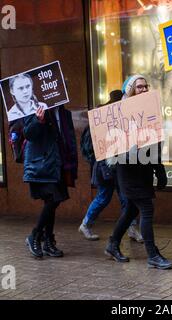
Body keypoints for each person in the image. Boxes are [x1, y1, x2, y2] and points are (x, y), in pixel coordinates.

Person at [104, 74, 172, 269]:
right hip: (128, 169)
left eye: (145, 87)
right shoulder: (119, 113)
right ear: (130, 91)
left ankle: (112, 244)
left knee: (131, 210)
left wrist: (159, 170)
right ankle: (152, 255)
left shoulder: (150, 111)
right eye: (139, 87)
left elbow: (155, 143)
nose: (143, 90)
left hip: (143, 168)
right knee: (146, 209)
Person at [79, 90, 143, 242]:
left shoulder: (118, 118)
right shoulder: (101, 118)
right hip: (105, 166)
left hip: (118, 165)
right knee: (105, 197)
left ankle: (131, 228)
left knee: (124, 198)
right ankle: (86, 224)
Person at [24, 104, 78, 258]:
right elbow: (28, 134)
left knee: (52, 202)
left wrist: (71, 162)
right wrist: (38, 120)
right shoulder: (35, 109)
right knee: (53, 199)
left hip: (59, 163)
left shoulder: (65, 113)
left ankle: (48, 241)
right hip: (43, 164)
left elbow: (69, 139)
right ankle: (35, 235)